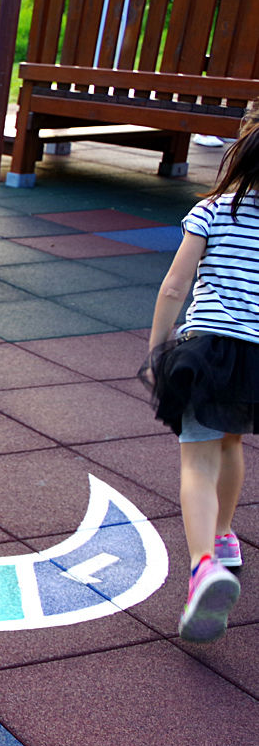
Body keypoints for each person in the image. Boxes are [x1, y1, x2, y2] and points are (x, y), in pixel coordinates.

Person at [146, 103, 259, 643]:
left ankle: (202, 566)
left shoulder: (212, 211)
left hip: (210, 348)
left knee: (197, 456)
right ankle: (224, 535)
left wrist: (158, 348)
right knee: (231, 441)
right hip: (257, 356)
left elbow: (174, 285)